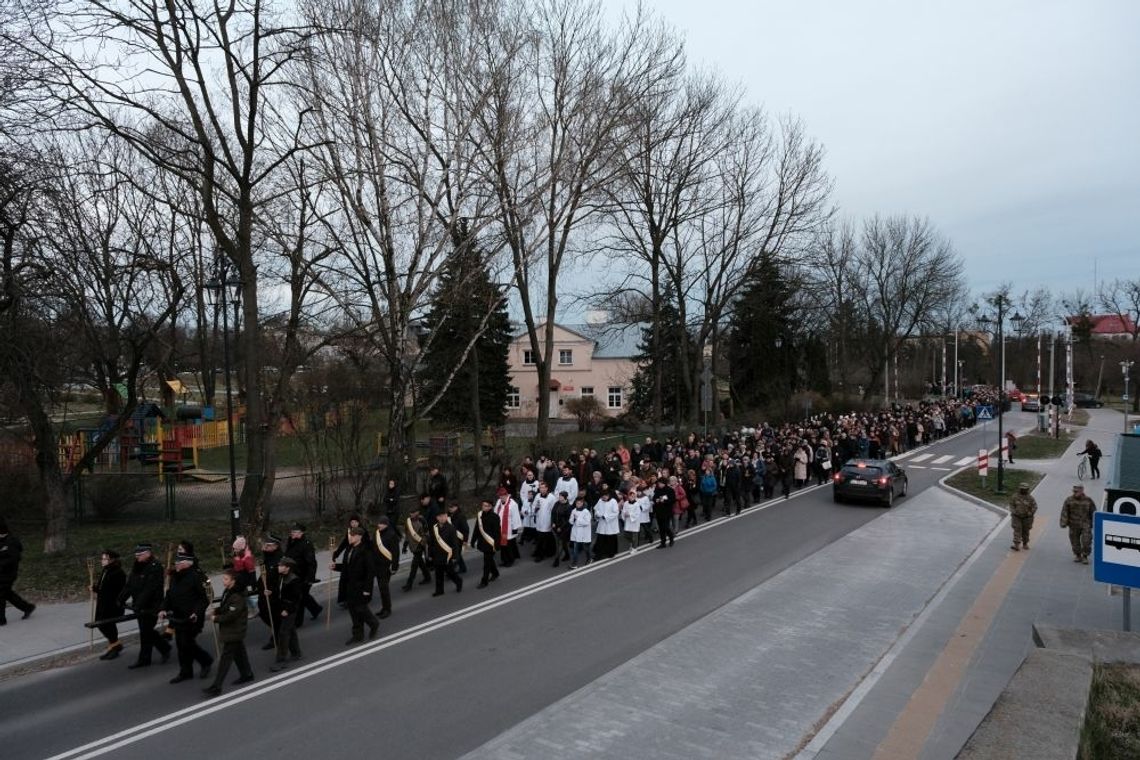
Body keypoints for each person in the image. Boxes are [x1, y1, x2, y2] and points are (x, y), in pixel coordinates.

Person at [161, 552, 212, 684]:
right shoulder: (174, 578)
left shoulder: (195, 577)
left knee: (186, 643)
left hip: (192, 618)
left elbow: (204, 599)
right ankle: (185, 672)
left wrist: (196, 612)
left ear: (187, 564)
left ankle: (205, 661)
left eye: (179, 563)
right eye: (176, 563)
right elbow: (169, 596)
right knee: (181, 644)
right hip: (178, 617)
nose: (176, 565)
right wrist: (163, 609)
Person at [203, 567, 254, 697]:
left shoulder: (237, 596)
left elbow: (232, 615)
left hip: (235, 629)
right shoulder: (228, 591)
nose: (223, 581)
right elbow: (226, 606)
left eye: (226, 579)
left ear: (233, 581)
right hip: (233, 630)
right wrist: (217, 610)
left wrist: (216, 618)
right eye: (223, 578)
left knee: (225, 659)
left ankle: (217, 686)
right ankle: (247, 674)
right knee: (239, 653)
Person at [119, 543, 172, 669]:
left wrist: (138, 604)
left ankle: (146, 658)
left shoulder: (155, 567)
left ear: (148, 553)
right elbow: (130, 584)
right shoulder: (137, 565)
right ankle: (163, 648)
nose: (137, 557)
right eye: (136, 555)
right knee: (146, 631)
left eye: (140, 555)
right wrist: (120, 599)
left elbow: (150, 589)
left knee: (145, 631)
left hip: (152, 605)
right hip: (140, 605)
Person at [331, 527, 379, 646]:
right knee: (353, 612)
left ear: (359, 536)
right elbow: (347, 566)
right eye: (349, 535)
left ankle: (374, 624)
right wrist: (336, 567)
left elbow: (370, 571)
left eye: (352, 535)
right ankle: (358, 635)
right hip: (350, 586)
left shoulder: (366, 550)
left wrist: (367, 589)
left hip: (361, 586)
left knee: (361, 609)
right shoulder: (349, 549)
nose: (350, 537)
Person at [270, 556, 303, 671]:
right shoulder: (282, 577)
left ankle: (281, 660)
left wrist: (287, 610)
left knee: (283, 633)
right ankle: (296, 653)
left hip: (289, 610)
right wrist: (271, 592)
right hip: (283, 608)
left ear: (287, 568)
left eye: (281, 565)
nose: (278, 567)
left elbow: (296, 598)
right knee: (290, 630)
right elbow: (280, 591)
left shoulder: (293, 580)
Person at [92, 549, 127, 660]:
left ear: (111, 560)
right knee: (103, 625)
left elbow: (115, 591)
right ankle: (114, 645)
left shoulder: (118, 573)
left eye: (104, 559)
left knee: (107, 625)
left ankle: (115, 646)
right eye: (102, 558)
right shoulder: (106, 570)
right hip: (103, 605)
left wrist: (100, 591)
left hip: (112, 606)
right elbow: (103, 587)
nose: (102, 561)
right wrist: (95, 588)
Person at [285, 523, 322, 624]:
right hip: (294, 575)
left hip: (303, 576)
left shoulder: (306, 544)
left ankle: (298, 621)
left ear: (301, 533)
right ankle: (316, 609)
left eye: (294, 532)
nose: (291, 533)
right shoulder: (292, 542)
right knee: (303, 596)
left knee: (300, 597)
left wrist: (310, 578)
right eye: (291, 532)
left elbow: (311, 563)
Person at [0, 518, 35, 624]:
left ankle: (1, 620)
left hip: (8, 573)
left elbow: (13, 559)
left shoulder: (12, 541)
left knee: (1, 594)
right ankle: (27, 607)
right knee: (6, 593)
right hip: (1, 572)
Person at [256, 534, 284, 651]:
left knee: (273, 616)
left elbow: (279, 577)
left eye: (268, 545)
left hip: (273, 593)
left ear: (275, 546)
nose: (264, 548)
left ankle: (278, 638)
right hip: (264, 591)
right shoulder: (268, 556)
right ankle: (278, 634)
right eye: (265, 545)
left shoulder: (279, 559)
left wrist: (272, 590)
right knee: (264, 613)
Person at [428, 511, 463, 597]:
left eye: (444, 516)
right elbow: (431, 542)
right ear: (437, 518)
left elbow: (455, 544)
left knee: (450, 572)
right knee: (438, 574)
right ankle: (439, 590)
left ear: (447, 516)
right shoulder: (434, 528)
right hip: (437, 554)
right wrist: (430, 554)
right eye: (440, 516)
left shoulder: (451, 528)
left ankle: (458, 581)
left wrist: (455, 556)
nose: (442, 518)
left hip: (448, 555)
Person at [1060, 484, 1096, 564]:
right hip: (1073, 524)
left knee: (1086, 541)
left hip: (1085, 524)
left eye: (1077, 491)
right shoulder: (1069, 500)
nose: (1075, 492)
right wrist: (1063, 522)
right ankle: (1078, 555)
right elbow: (1064, 511)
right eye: (1074, 491)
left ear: (1082, 491)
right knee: (1074, 541)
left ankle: (1085, 556)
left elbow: (1093, 512)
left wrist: (1095, 523)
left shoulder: (1088, 500)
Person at [372, 516, 399, 618]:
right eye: (379, 523)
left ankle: (388, 609)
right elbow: (373, 547)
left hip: (386, 566)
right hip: (377, 565)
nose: (379, 525)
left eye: (382, 523)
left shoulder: (392, 535)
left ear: (386, 524)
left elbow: (395, 552)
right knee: (381, 588)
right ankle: (384, 608)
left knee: (384, 588)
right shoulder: (376, 534)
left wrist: (395, 566)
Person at [471, 499, 501, 588]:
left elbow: (497, 532)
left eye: (486, 505)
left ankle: (484, 581)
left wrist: (497, 544)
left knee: (486, 562)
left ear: (491, 507)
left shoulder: (495, 517)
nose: (484, 507)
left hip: (491, 543)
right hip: (483, 542)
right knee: (489, 560)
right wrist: (473, 540)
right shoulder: (480, 515)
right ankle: (495, 573)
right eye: (483, 505)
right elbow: (477, 529)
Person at [401, 507, 433, 590]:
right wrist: (404, 546)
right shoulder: (408, 522)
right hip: (412, 546)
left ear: (417, 512)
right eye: (410, 512)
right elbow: (407, 534)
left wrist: (423, 543)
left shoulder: (422, 520)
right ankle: (427, 577)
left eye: (413, 512)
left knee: (414, 566)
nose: (411, 514)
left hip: (420, 546)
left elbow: (426, 534)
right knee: (421, 563)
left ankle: (409, 584)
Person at [494, 487, 522, 567]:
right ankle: (504, 560)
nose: (501, 498)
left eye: (502, 496)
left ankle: (510, 560)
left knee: (508, 546)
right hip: (500, 528)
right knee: (503, 546)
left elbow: (515, 517)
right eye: (500, 496)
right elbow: (496, 512)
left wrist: (515, 529)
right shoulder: (499, 502)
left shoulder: (513, 504)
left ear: (506, 495)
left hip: (509, 529)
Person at [230, 536, 257, 614]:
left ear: (241, 549)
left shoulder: (247, 558)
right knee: (242, 596)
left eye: (236, 549)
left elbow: (252, 572)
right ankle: (247, 609)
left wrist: (253, 584)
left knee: (246, 596)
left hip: (244, 580)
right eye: (234, 549)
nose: (234, 550)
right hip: (239, 579)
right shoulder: (238, 555)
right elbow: (237, 566)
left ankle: (253, 609)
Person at [1008, 482, 1038, 551]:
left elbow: (1035, 506)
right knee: (1017, 529)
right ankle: (1016, 545)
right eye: (1022, 489)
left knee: (1025, 531)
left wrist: (1030, 513)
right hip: (1017, 517)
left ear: (1027, 489)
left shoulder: (1030, 498)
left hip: (1027, 518)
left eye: (1025, 489)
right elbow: (1011, 505)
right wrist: (1014, 511)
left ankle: (1025, 543)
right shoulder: (1015, 497)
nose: (1023, 490)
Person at [593, 487, 621, 560]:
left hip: (610, 524)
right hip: (602, 523)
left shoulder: (613, 501)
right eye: (602, 496)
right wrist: (597, 514)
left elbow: (616, 512)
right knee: (600, 539)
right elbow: (596, 509)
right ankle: (598, 554)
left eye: (605, 496)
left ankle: (611, 553)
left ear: (608, 495)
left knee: (610, 539)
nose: (604, 498)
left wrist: (606, 517)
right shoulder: (600, 500)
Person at [568, 496, 592, 569]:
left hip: (584, 533)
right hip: (576, 532)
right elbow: (570, 520)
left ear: (582, 503)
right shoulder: (574, 510)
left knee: (585, 548)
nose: (578, 504)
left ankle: (589, 558)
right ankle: (574, 563)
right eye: (577, 503)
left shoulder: (586, 512)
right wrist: (572, 520)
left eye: (579, 503)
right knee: (575, 549)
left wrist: (577, 519)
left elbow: (587, 522)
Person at [652, 478, 676, 548]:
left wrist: (664, 501)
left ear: (664, 483)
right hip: (659, 511)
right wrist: (655, 500)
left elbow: (673, 500)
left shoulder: (670, 490)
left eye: (660, 483)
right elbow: (654, 498)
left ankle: (671, 537)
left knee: (666, 527)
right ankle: (663, 542)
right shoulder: (657, 490)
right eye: (658, 483)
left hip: (667, 511)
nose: (659, 484)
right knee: (661, 528)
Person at [551, 493, 573, 568]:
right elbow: (553, 513)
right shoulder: (557, 503)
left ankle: (556, 560)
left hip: (564, 528)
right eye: (559, 496)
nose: (559, 497)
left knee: (559, 543)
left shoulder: (568, 507)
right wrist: (553, 522)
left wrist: (561, 527)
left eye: (561, 496)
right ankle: (567, 555)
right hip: (555, 526)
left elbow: (568, 519)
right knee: (562, 542)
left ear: (565, 497)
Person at [446, 502, 469, 575]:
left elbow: (465, 529)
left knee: (456, 554)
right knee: (457, 554)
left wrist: (465, 540)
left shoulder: (460, 516)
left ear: (456, 507)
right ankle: (463, 568)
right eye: (449, 507)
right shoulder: (448, 516)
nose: (450, 508)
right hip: (451, 538)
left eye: (452, 507)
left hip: (459, 538)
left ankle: (451, 570)